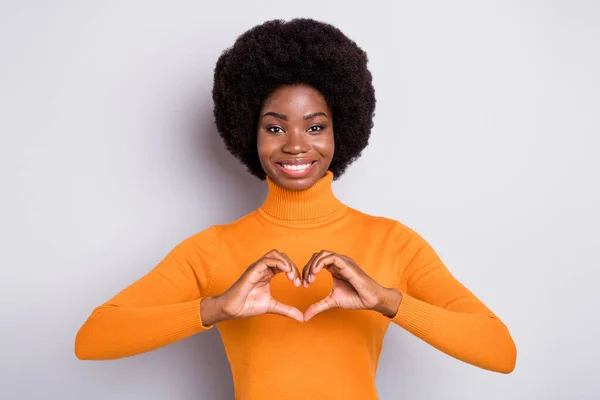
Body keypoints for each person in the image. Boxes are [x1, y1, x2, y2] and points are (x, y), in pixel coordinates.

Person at [75, 18, 517, 399]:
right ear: (249, 132)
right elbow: (93, 338)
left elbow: (499, 350)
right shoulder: (211, 249)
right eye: (275, 127)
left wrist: (387, 301)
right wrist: (216, 309)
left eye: (315, 126)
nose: (295, 145)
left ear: (340, 130)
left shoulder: (392, 242)